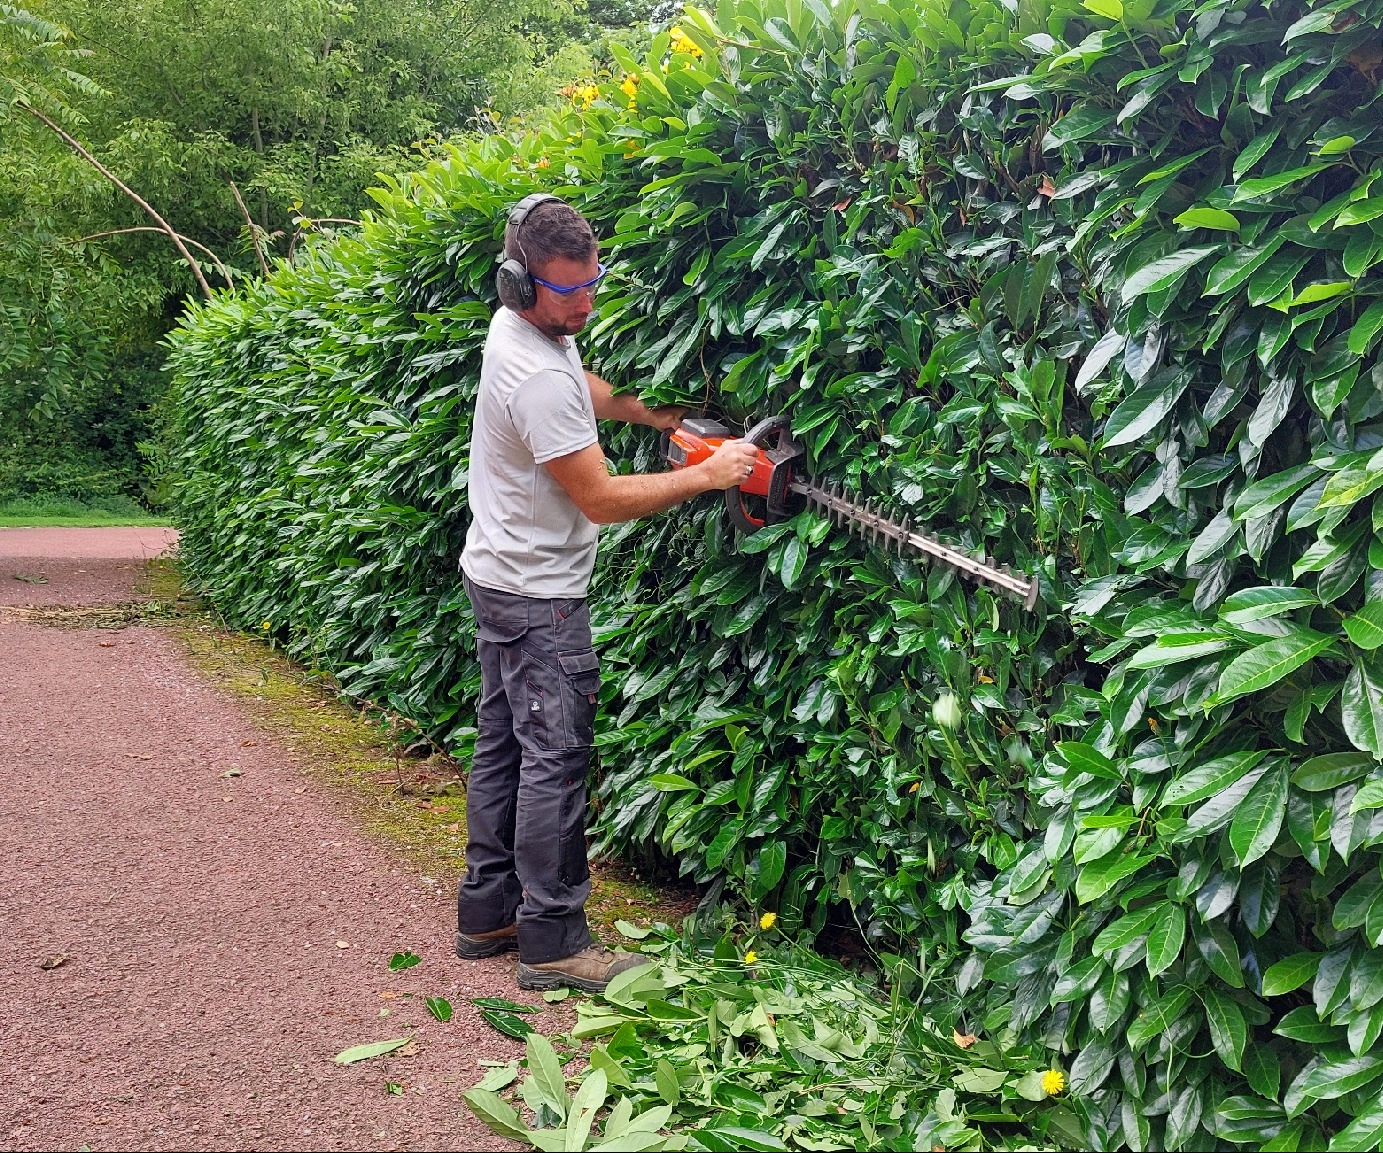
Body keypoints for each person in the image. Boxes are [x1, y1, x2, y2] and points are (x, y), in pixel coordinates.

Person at [455, 193, 759, 992]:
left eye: (594, 283)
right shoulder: (533, 373)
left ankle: (487, 911)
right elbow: (599, 498)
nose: (586, 301)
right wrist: (705, 474)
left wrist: (647, 413)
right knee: (554, 760)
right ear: (522, 285)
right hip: (539, 593)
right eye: (569, 291)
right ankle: (553, 938)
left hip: (495, 571)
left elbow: (576, 380)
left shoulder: (517, 330)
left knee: (503, 746)